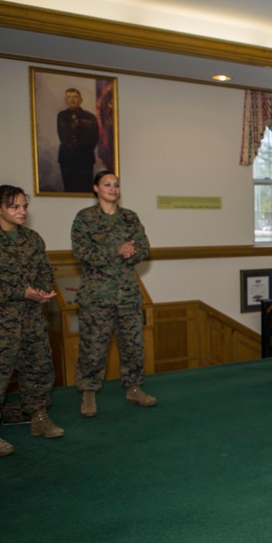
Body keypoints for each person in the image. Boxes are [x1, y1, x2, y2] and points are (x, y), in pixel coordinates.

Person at [0, 185, 65, 477]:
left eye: (24, 206)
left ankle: (38, 416)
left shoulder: (32, 238)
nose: (21, 211)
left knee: (39, 368)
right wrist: (20, 292)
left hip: (31, 317)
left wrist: (42, 289)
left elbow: (45, 270)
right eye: (14, 207)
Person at [72, 170, 156, 417]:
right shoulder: (85, 218)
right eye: (107, 184)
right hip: (97, 296)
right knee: (93, 347)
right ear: (96, 188)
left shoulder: (130, 218)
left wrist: (133, 253)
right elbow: (81, 252)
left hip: (127, 293)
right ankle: (88, 394)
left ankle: (134, 388)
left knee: (133, 345)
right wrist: (115, 250)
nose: (113, 189)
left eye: (116, 185)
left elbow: (144, 247)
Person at [57, 88, 101, 193]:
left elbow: (94, 137)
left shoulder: (90, 117)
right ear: (66, 100)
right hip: (67, 157)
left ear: (80, 100)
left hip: (84, 158)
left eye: (75, 97)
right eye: (69, 97)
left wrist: (83, 148)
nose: (72, 100)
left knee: (85, 189)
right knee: (69, 188)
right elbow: (64, 136)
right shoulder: (62, 116)